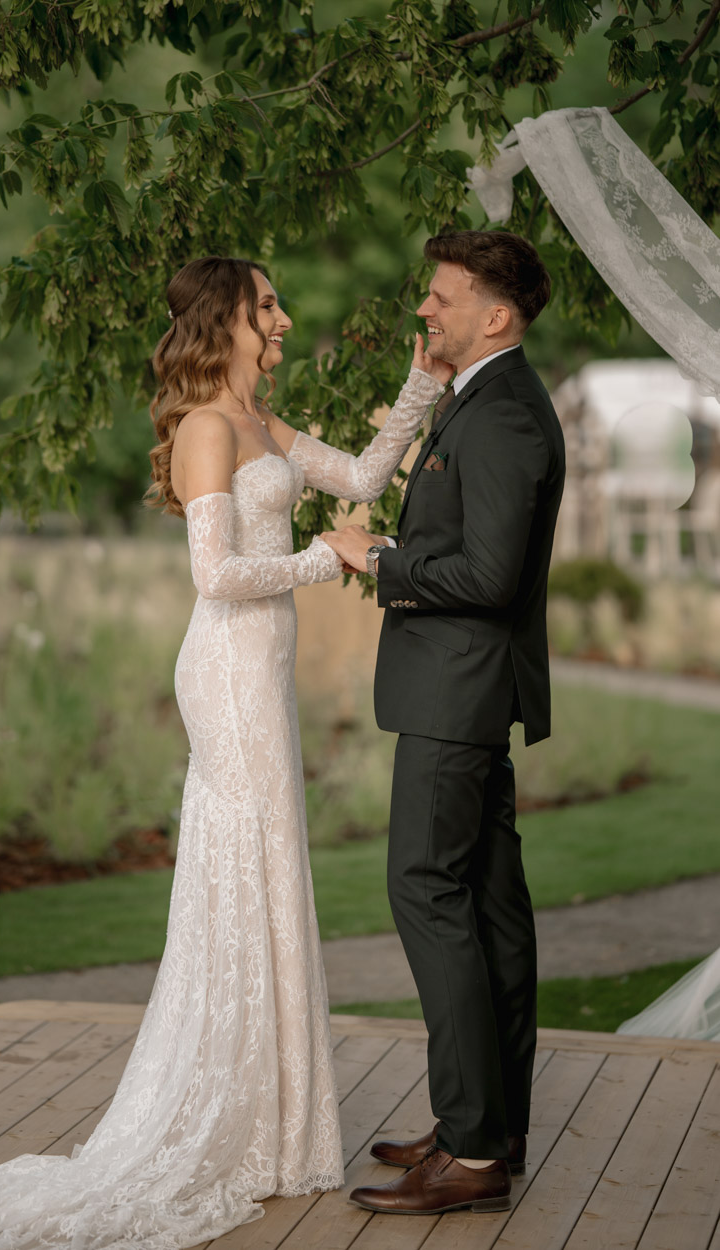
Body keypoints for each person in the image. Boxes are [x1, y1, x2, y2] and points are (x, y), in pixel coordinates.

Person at [0, 256, 450, 1250]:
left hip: (263, 672)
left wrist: (421, 382)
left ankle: (278, 1130)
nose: (284, 318)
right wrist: (326, 555)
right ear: (229, 317)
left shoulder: (262, 422)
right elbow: (215, 575)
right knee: (245, 871)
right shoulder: (209, 429)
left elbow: (363, 475)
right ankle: (237, 1121)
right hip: (227, 673)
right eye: (269, 304)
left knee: (270, 871)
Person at [323, 230, 566, 1216]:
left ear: (495, 315)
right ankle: (487, 1126)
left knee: (426, 892)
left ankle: (469, 1152)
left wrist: (380, 561)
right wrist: (397, 547)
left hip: (455, 693)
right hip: (465, 690)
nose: (424, 308)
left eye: (442, 296)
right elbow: (471, 545)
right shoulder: (484, 398)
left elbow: (490, 575)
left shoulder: (502, 414)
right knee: (490, 907)